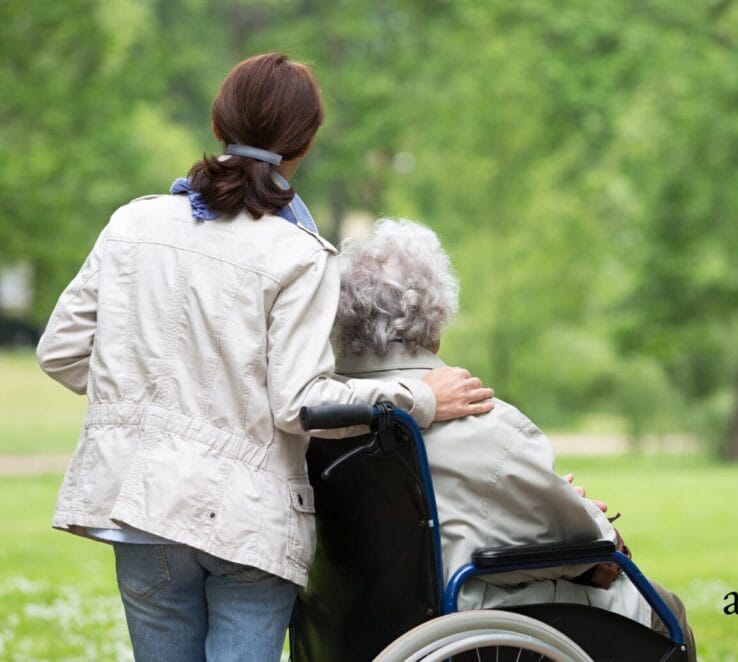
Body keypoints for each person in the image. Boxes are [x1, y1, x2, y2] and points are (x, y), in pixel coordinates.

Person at [36, 53, 492, 662]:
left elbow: (61, 352)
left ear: (218, 121)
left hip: (139, 505)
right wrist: (423, 399)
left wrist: (151, 396)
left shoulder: (131, 223)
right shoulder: (300, 253)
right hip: (244, 520)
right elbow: (298, 403)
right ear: (303, 145)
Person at [332, 218, 696, 658]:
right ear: (435, 319)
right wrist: (584, 520)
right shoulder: (483, 423)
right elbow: (591, 553)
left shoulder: (326, 417)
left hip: (354, 625)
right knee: (665, 610)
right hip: (466, 621)